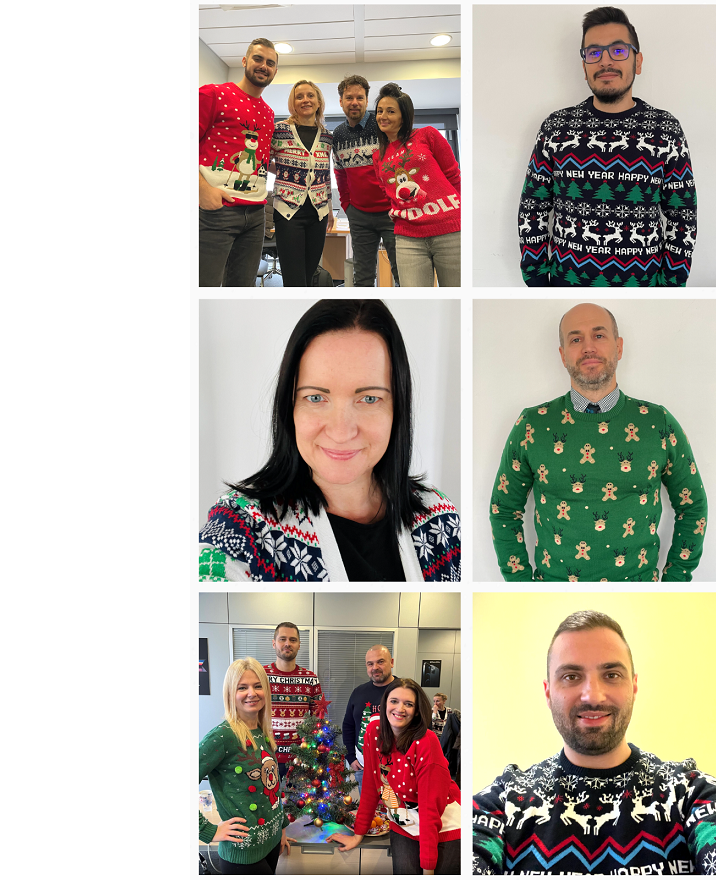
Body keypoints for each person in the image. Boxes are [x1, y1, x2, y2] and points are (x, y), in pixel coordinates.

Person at [197, 299, 461, 582]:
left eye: (369, 398)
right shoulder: (241, 525)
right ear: (291, 407)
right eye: (316, 398)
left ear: (397, 408)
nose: (341, 431)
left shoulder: (439, 516)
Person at [472, 611, 716, 874]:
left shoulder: (692, 795)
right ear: (548, 692)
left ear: (633, 686)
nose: (593, 696)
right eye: (571, 676)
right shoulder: (504, 803)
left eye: (611, 675)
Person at [490, 303, 708, 581]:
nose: (588, 348)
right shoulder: (532, 425)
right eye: (576, 339)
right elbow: (503, 510)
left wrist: (675, 581)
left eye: (599, 336)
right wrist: (519, 586)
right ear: (562, 354)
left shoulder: (658, 422)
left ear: (618, 347)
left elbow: (693, 506)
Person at [519, 6, 697, 286]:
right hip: (565, 285)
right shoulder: (556, 128)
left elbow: (682, 215)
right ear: (584, 66)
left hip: (645, 289)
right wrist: (537, 280)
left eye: (618, 50)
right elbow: (533, 208)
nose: (605, 61)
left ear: (637, 61)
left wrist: (671, 285)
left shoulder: (665, 129)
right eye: (594, 53)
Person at [330, 678, 464, 873]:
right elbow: (370, 786)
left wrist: (428, 870)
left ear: (417, 710)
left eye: (408, 704)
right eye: (394, 701)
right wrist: (358, 834)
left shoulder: (427, 742)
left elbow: (429, 810)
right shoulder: (373, 733)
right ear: (384, 704)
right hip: (404, 820)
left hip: (443, 824)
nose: (399, 708)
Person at [198, 658, 290, 874]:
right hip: (243, 855)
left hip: (272, 842)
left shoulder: (261, 731)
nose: (252, 693)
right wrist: (207, 831)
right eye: (242, 687)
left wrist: (281, 827)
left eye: (258, 686)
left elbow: (273, 788)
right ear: (230, 693)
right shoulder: (222, 736)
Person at [199, 38, 278, 287]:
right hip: (216, 211)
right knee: (204, 287)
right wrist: (201, 189)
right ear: (244, 61)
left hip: (255, 215)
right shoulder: (213, 94)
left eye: (270, 63)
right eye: (258, 58)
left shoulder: (268, 113)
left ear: (275, 71)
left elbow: (260, 162)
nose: (263, 65)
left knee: (242, 289)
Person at [373, 82, 461, 286]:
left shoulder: (427, 135)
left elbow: (453, 176)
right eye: (379, 111)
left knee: (457, 294)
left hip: (449, 231)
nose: (383, 116)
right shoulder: (378, 156)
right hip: (407, 237)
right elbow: (388, 194)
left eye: (390, 111)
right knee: (415, 299)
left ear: (403, 115)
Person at [332, 74, 401, 287]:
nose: (354, 102)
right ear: (341, 101)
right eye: (349, 97)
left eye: (360, 98)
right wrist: (347, 206)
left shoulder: (381, 126)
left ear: (367, 100)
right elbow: (340, 174)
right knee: (362, 277)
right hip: (359, 216)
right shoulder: (338, 135)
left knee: (403, 272)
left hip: (391, 214)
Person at [269, 80, 335, 287]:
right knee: (293, 278)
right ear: (293, 103)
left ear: (318, 102)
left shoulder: (326, 136)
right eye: (299, 96)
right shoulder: (279, 130)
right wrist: (284, 171)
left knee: (310, 274)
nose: (305, 100)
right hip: (288, 212)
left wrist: (330, 210)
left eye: (310, 96)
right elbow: (261, 159)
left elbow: (325, 175)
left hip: (319, 213)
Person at [263, 622, 325, 779]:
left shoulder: (310, 679)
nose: (287, 644)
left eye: (292, 640)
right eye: (282, 639)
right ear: (273, 643)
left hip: (301, 761)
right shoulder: (261, 676)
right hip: (265, 758)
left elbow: (317, 720)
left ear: (299, 645)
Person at [343, 645, 398, 768]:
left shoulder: (405, 690)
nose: (375, 668)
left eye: (380, 662)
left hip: (398, 767)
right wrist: (351, 757)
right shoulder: (358, 693)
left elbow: (421, 727)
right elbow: (348, 726)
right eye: (370, 664)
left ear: (392, 662)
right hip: (364, 766)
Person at [431, 693, 461, 783]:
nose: (436, 703)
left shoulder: (449, 711)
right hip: (436, 736)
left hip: (448, 736)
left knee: (446, 755)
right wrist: (434, 713)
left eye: (438, 701)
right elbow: (431, 723)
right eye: (434, 701)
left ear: (444, 701)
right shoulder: (433, 711)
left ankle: (445, 773)